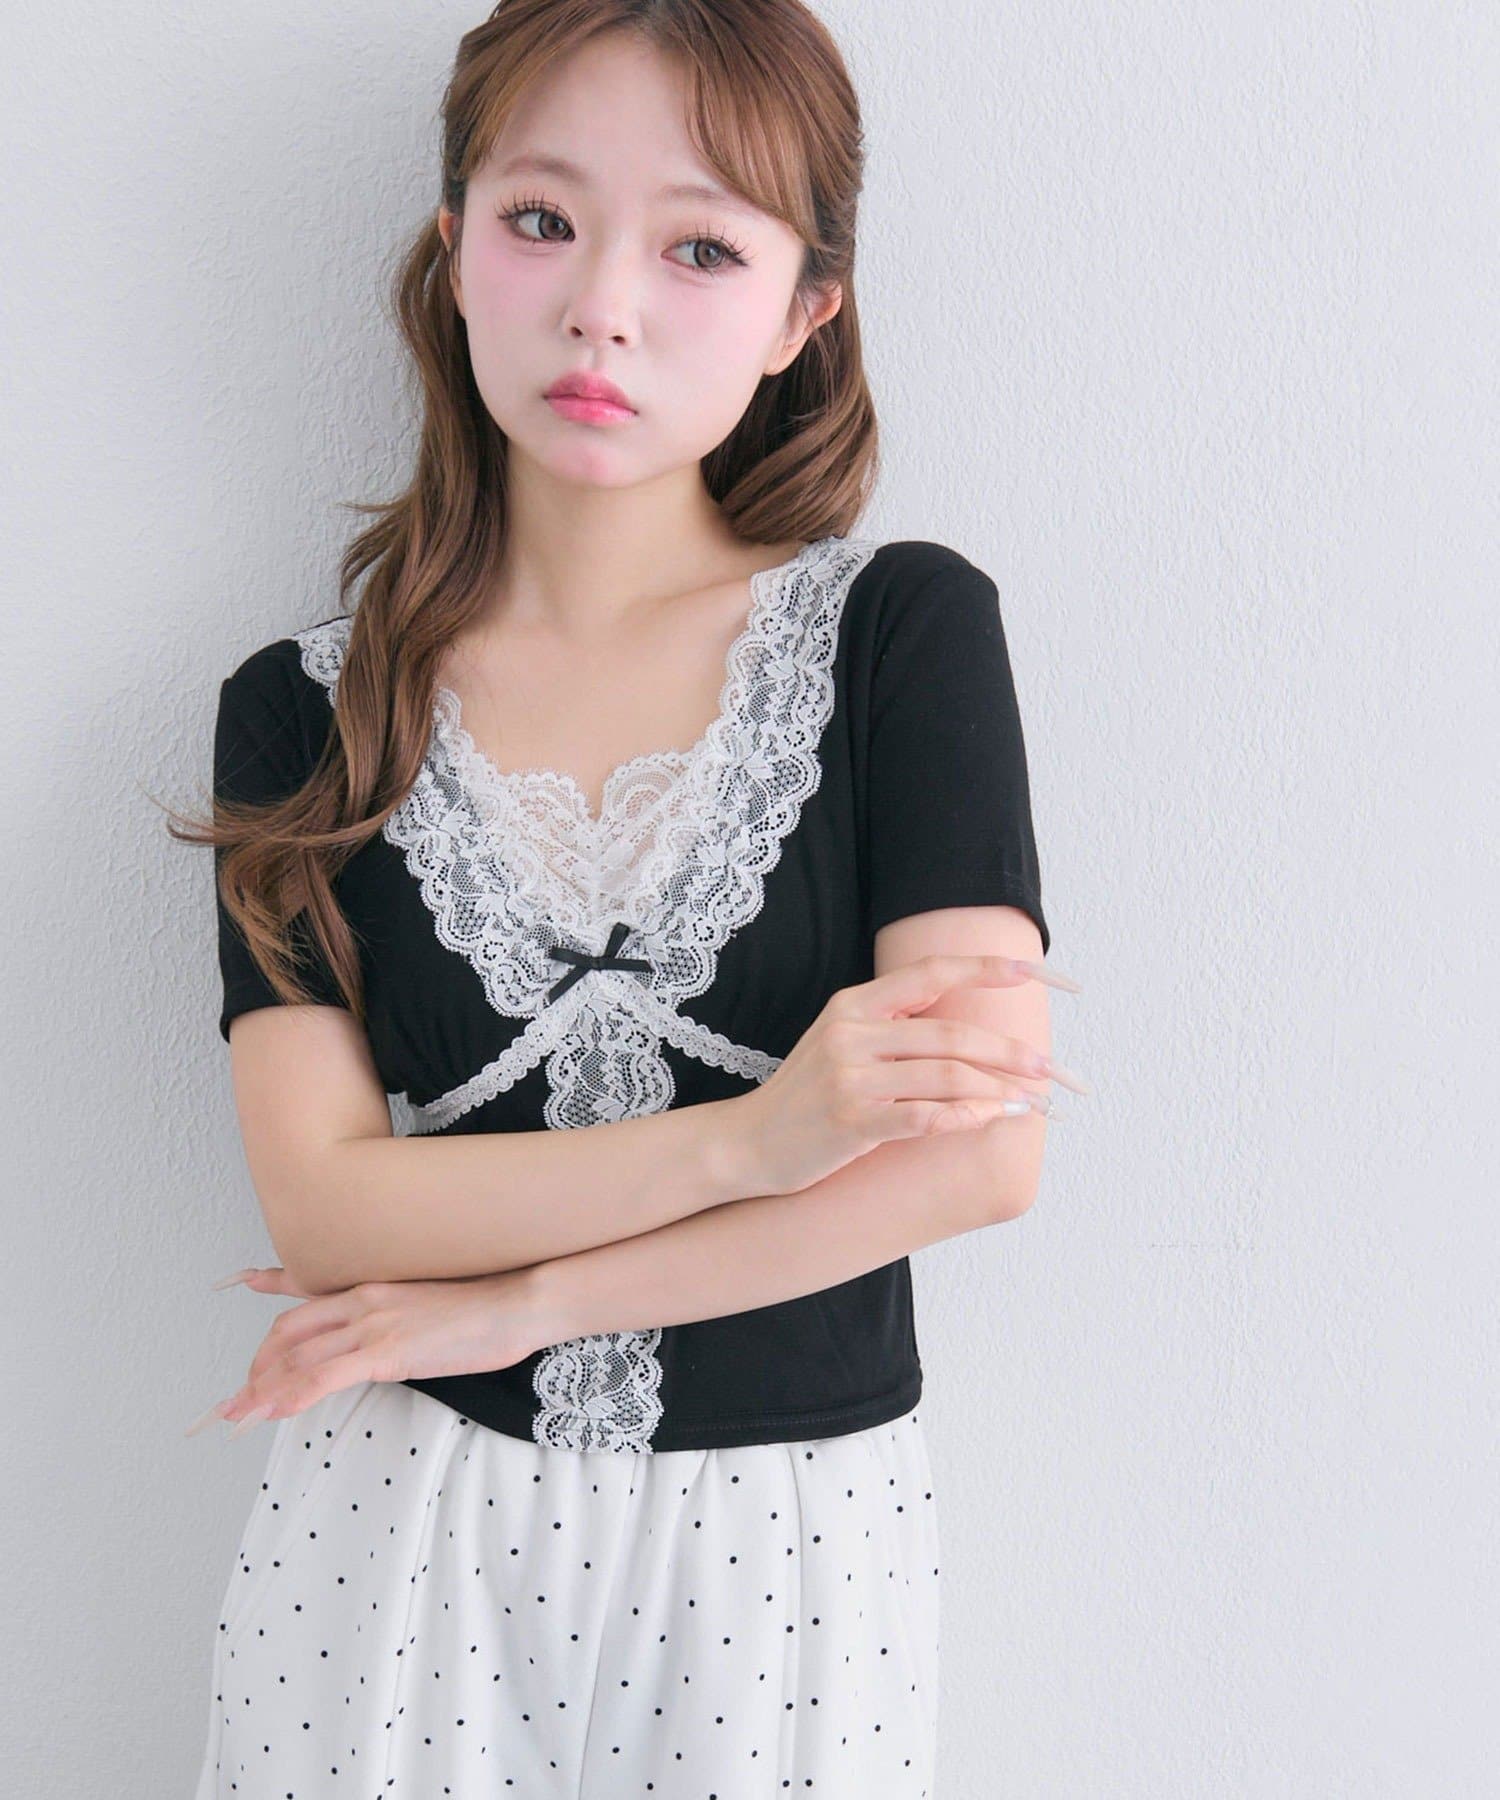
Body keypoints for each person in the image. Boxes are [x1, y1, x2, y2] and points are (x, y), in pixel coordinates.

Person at [169, 3, 1084, 1793]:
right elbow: (329, 1209)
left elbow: (978, 1160)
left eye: (699, 248)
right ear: (455, 250)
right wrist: (763, 1139)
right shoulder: (302, 709)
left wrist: (510, 1304)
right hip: (400, 1526)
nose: (603, 306)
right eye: (542, 220)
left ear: (806, 310)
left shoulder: (901, 637)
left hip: (784, 1550)